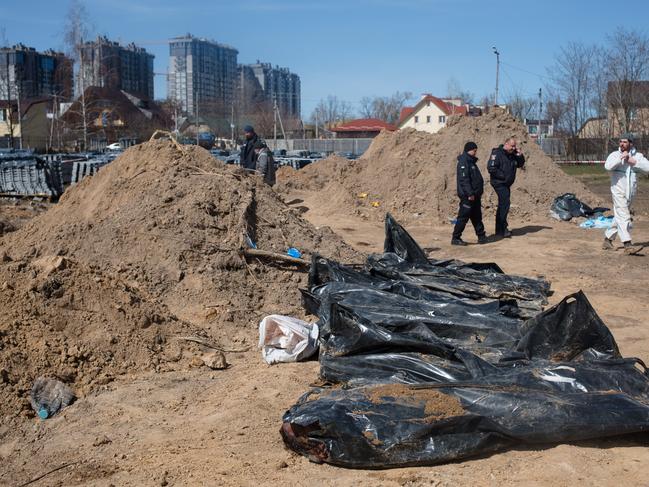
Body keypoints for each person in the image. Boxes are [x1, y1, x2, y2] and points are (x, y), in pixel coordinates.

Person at [602, 134, 649, 254]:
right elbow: (607, 166)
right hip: (618, 191)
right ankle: (627, 244)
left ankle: (607, 240)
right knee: (624, 216)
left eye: (625, 142)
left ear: (631, 143)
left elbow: (647, 168)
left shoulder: (638, 156)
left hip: (630, 193)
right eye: (620, 142)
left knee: (619, 217)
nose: (622, 144)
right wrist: (620, 159)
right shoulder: (615, 155)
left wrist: (633, 162)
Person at [487, 137, 525, 238]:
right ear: (506, 144)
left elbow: (520, 164)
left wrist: (519, 155)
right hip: (499, 183)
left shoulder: (511, 155)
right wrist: (504, 176)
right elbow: (491, 168)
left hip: (506, 184)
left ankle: (500, 230)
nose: (514, 148)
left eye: (514, 146)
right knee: (505, 204)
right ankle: (502, 229)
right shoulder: (497, 153)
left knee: (503, 205)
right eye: (512, 146)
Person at [451, 141, 487, 246]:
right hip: (468, 196)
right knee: (463, 217)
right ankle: (456, 238)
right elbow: (464, 180)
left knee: (477, 216)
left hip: (475, 196)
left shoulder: (471, 162)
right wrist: (470, 193)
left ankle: (481, 236)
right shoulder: (464, 162)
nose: (476, 153)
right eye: (474, 151)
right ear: (469, 150)